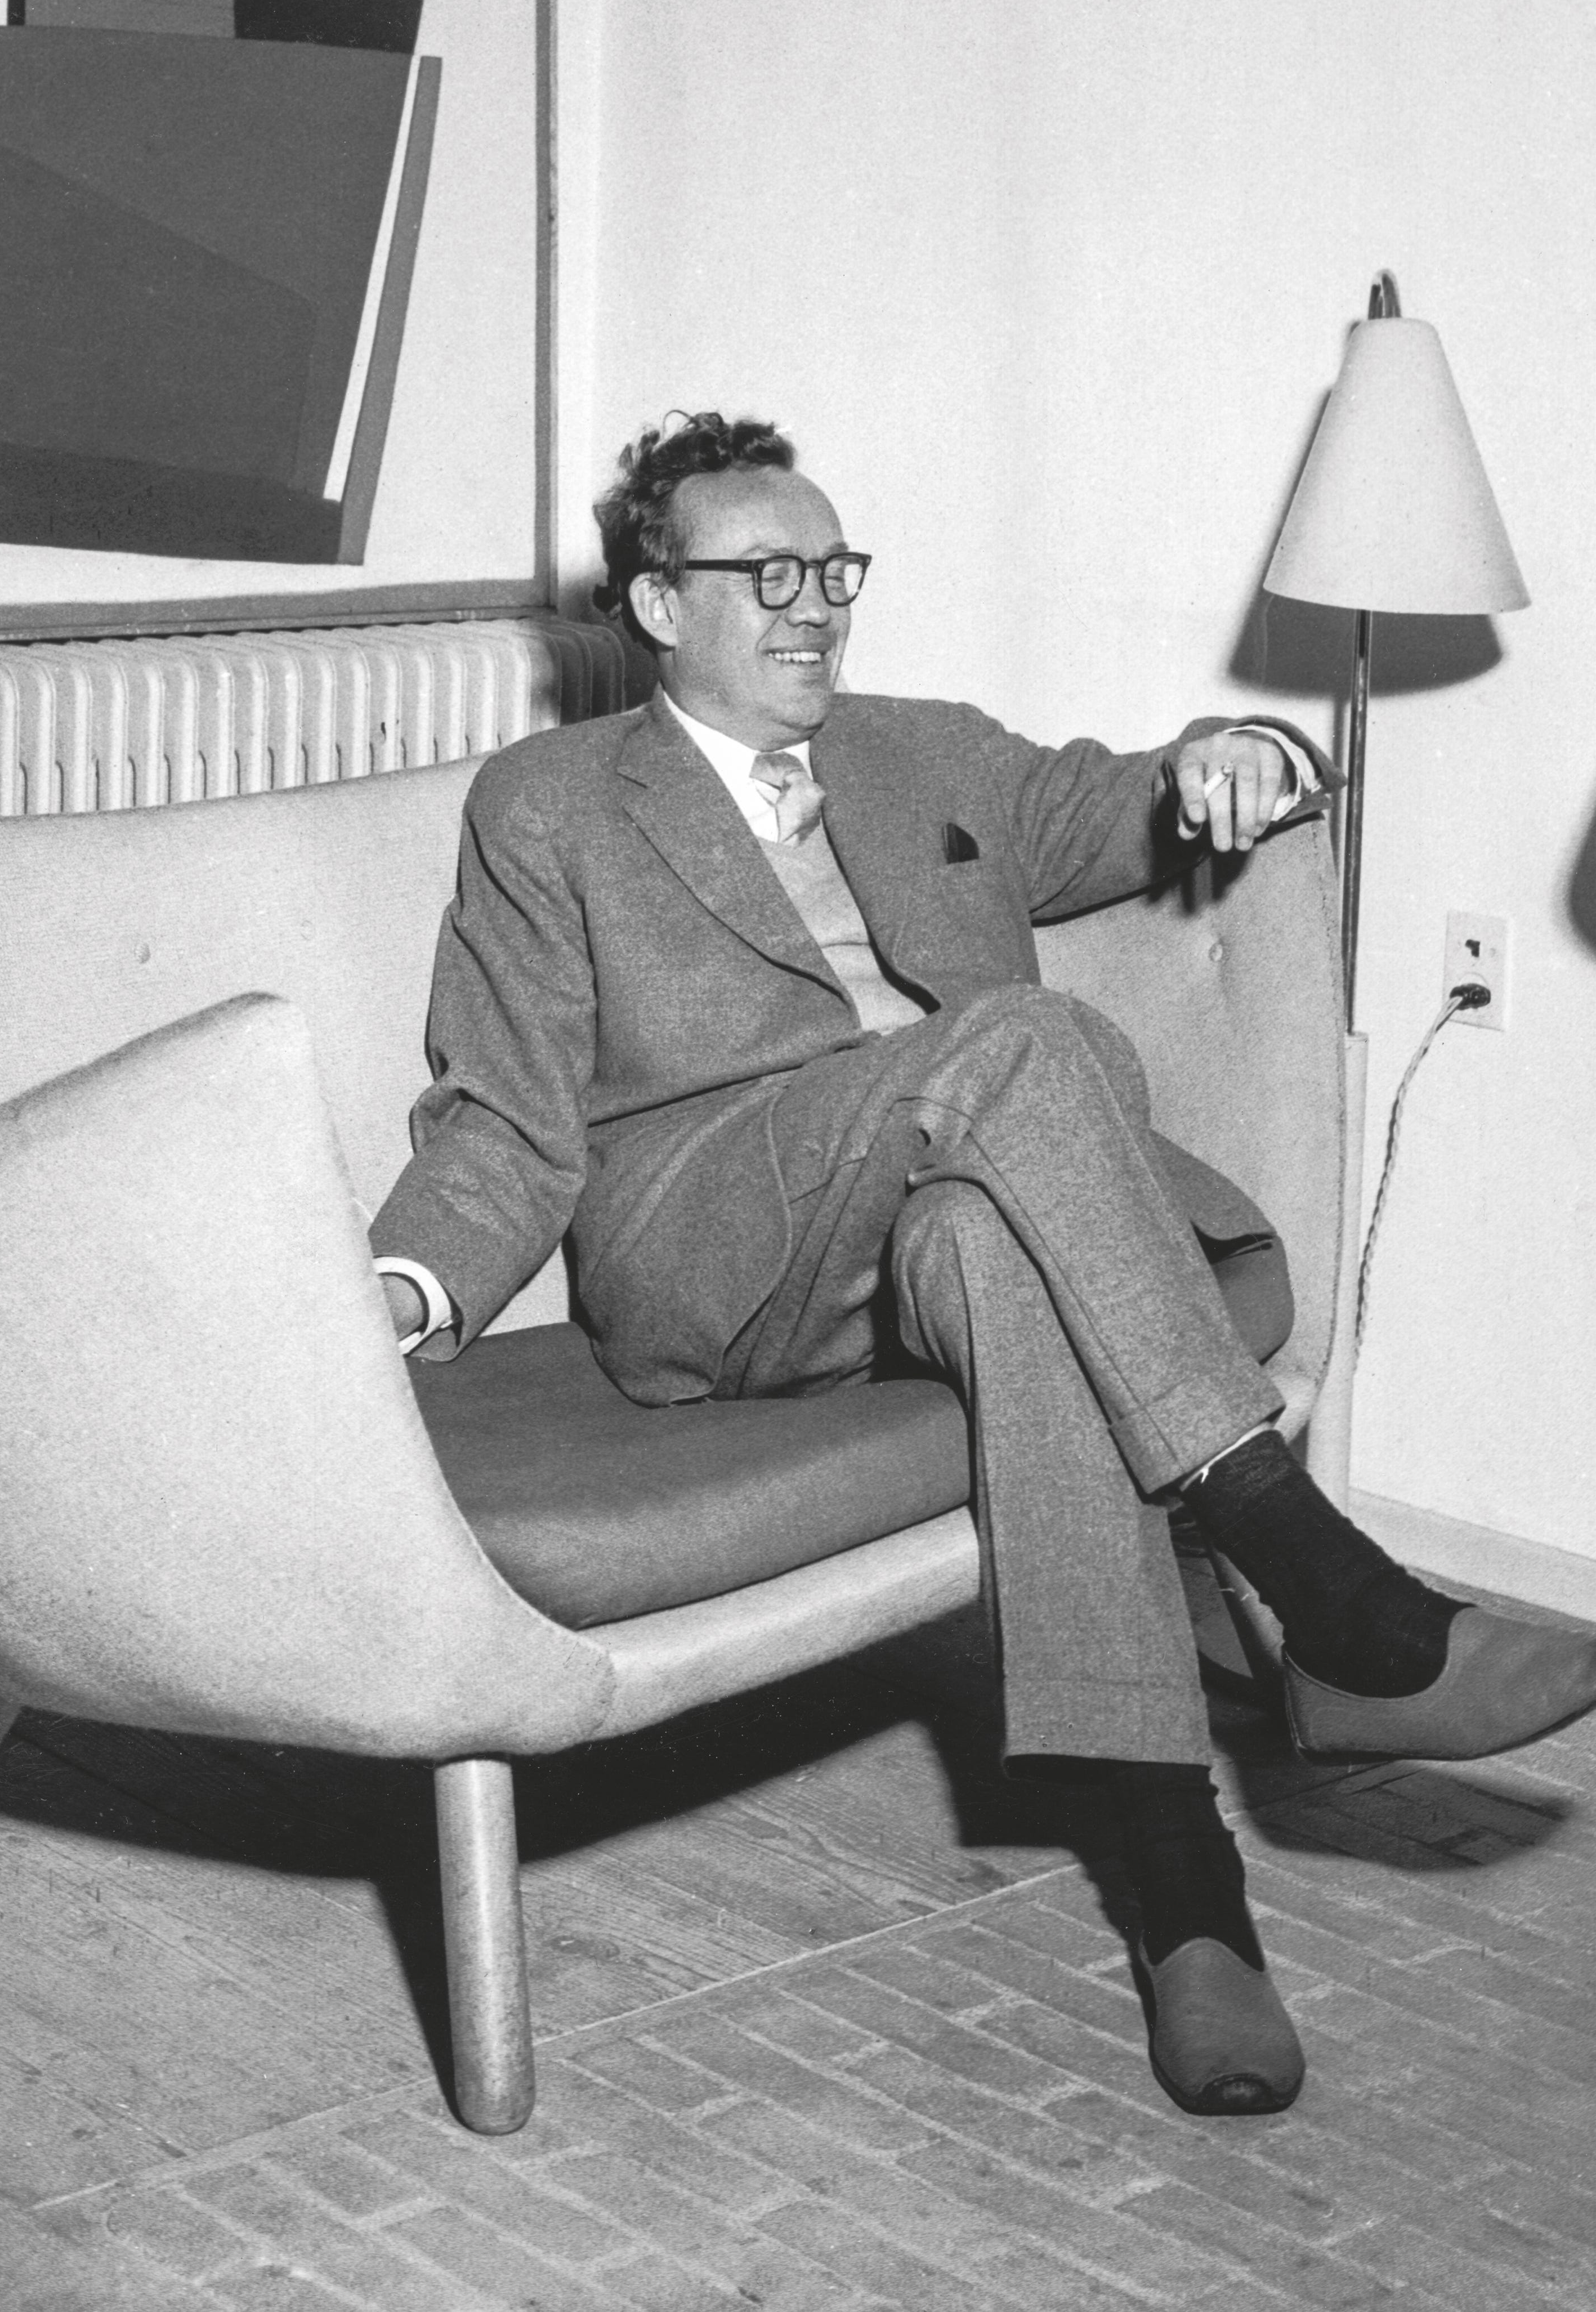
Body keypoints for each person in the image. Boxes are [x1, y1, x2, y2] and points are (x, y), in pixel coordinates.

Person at [369, 412, 1596, 2117]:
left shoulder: (926, 751)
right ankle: (1318, 1583)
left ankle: (1187, 1894)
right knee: (1026, 1038)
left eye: (835, 570)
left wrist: (1243, 750)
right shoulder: (551, 804)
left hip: (940, 1210)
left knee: (996, 1243)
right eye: (768, 575)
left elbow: (1144, 789)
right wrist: (397, 1297)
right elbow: (506, 1117)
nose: (816, 606)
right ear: (657, 604)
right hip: (715, 1243)